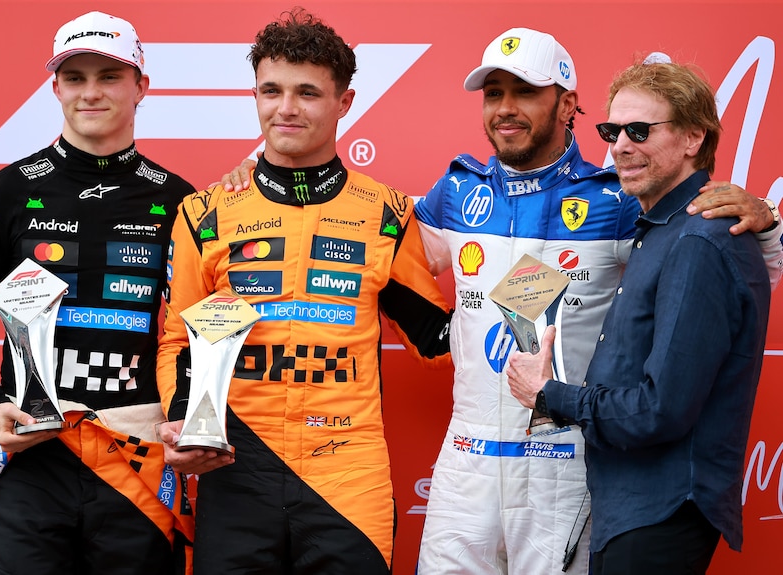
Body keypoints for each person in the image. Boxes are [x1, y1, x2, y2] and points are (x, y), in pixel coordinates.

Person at [221, 27, 782, 574]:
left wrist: (763, 222)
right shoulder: (457, 191)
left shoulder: (620, 195)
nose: (506, 108)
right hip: (467, 461)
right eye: (494, 94)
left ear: (568, 105)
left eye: (525, 92)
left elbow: (724, 275)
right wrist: (271, 171)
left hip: (565, 463)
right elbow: (351, 235)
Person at [155, 8, 453, 575]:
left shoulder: (386, 215)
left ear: (345, 102)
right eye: (271, 90)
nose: (285, 108)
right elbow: (179, 342)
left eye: (307, 93)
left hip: (348, 477)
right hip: (234, 468)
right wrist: (182, 422)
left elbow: (433, 342)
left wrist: (502, 284)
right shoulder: (205, 213)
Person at [0, 11, 204, 575]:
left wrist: (184, 415)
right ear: (55, 87)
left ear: (141, 87)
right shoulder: (4, 191)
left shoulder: (181, 201)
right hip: (32, 457)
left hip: (132, 456)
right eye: (75, 77)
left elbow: (194, 332)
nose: (90, 92)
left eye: (109, 76)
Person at [506, 56, 771, 575]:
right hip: (630, 505)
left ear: (694, 138)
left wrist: (549, 396)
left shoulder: (699, 239)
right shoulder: (661, 229)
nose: (621, 145)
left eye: (640, 130)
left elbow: (660, 409)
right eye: (612, 129)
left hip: (660, 510)